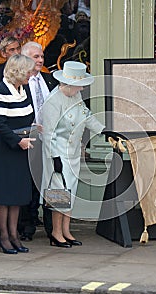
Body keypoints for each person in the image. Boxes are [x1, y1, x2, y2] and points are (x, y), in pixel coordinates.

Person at [41, 61, 104, 247]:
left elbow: (86, 116)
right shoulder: (54, 101)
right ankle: (56, 232)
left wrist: (104, 131)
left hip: (74, 153)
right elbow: (48, 134)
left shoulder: (75, 96)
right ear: (68, 83)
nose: (82, 88)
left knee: (71, 193)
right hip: (58, 153)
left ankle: (66, 230)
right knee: (59, 194)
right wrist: (54, 158)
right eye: (79, 85)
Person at [0, 54, 36, 254]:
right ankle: (4, 236)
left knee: (17, 195)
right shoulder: (0, 91)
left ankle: (14, 235)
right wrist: (18, 141)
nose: (31, 75)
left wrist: (33, 128)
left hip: (21, 148)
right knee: (4, 196)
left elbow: (26, 116)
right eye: (28, 72)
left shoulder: (23, 89)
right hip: (5, 150)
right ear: (18, 72)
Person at [19, 41, 57, 241]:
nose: (41, 60)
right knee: (29, 184)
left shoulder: (50, 80)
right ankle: (27, 226)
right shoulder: (19, 83)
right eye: (36, 57)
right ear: (25, 58)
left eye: (42, 56)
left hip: (49, 140)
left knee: (50, 182)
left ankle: (53, 229)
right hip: (28, 139)